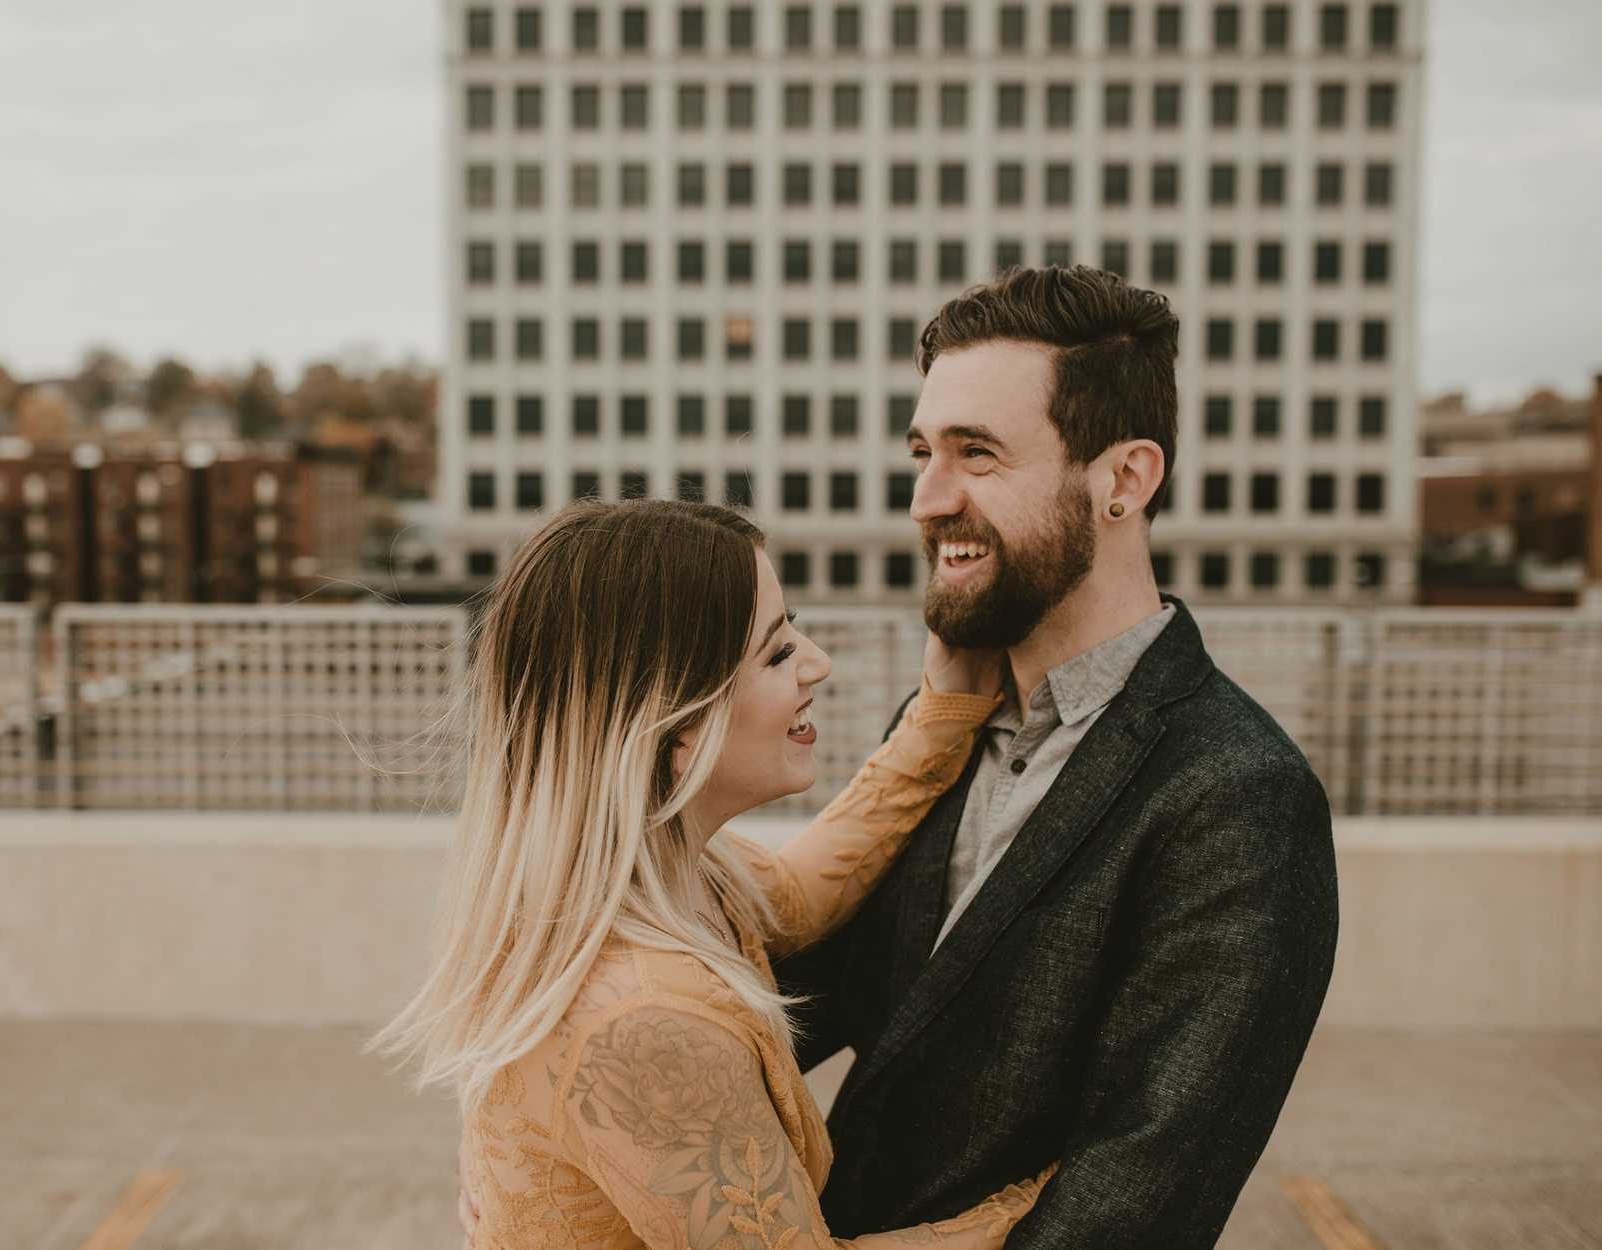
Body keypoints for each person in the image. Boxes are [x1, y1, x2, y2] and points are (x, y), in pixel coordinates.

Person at [772, 265, 1340, 1247]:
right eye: (922, 451)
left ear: (1124, 478)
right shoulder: (945, 720)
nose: (926, 498)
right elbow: (781, 1007)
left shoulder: (1239, 792)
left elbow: (1136, 1199)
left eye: (977, 454)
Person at [374, 498, 1056, 1248]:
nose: (816, 663)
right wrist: (1059, 1200)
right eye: (774, 653)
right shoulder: (640, 1023)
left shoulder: (657, 885)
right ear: (672, 726)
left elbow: (801, 891)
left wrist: (944, 708)